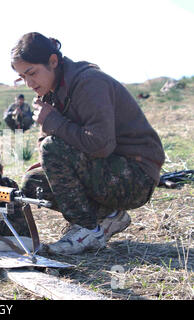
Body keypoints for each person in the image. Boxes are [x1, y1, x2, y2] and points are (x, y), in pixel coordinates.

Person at [11, 32, 165, 255]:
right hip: (106, 168)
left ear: (53, 62)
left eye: (32, 73)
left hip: (136, 175)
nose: (29, 83)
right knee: (34, 184)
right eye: (22, 77)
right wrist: (49, 160)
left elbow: (101, 145)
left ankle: (87, 229)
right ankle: (109, 217)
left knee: (51, 148)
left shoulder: (89, 83)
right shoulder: (50, 91)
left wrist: (53, 125)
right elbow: (50, 139)